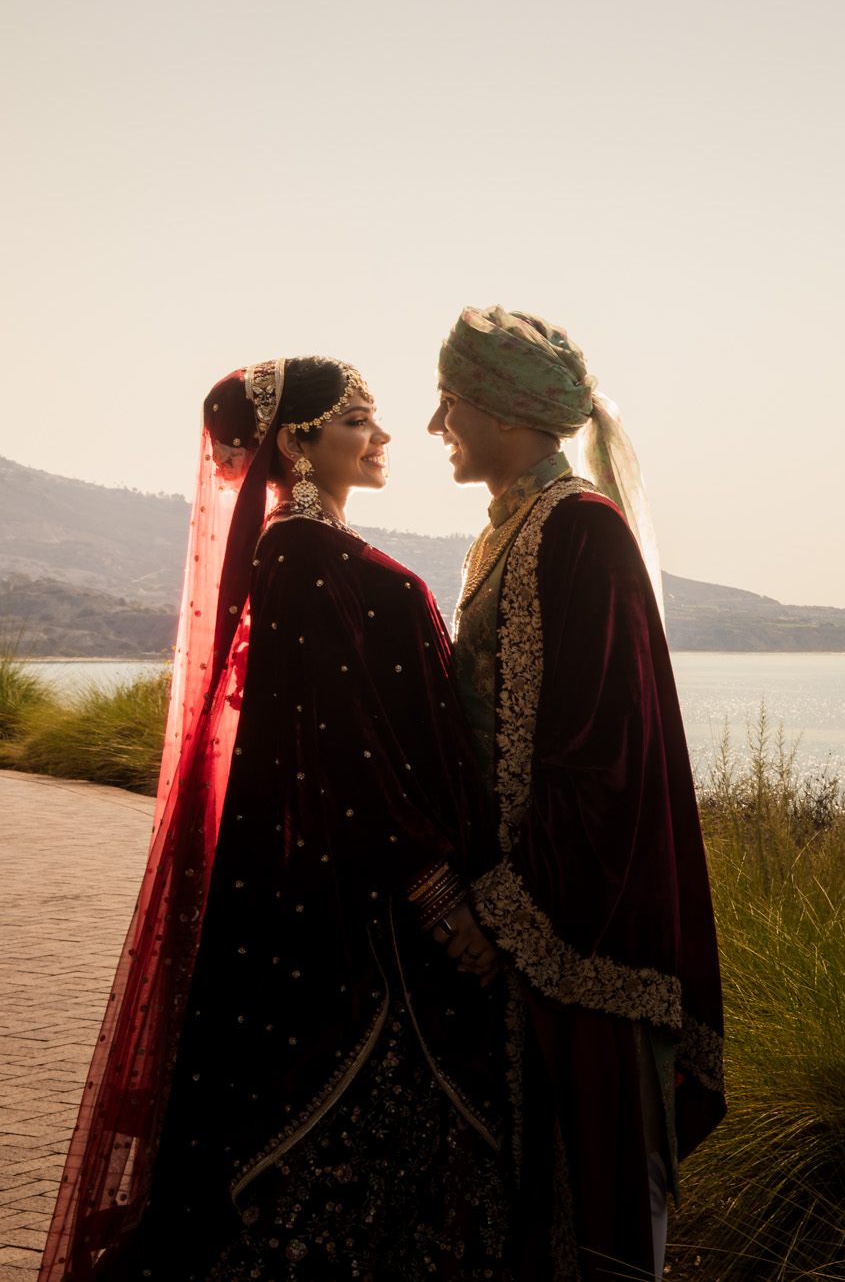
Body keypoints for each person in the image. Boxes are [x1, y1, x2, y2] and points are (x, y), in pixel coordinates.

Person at [40, 358, 510, 1282]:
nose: (380, 438)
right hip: (358, 921)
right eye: (357, 421)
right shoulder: (299, 555)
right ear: (297, 441)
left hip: (372, 898)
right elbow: (347, 744)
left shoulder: (319, 547)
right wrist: (434, 891)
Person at [428, 306, 725, 1281]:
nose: (438, 426)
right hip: (524, 913)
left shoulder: (580, 531)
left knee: (587, 1213)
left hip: (576, 924)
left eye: (452, 403)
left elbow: (599, 757)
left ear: (506, 410)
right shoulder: (512, 529)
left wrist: (498, 915)